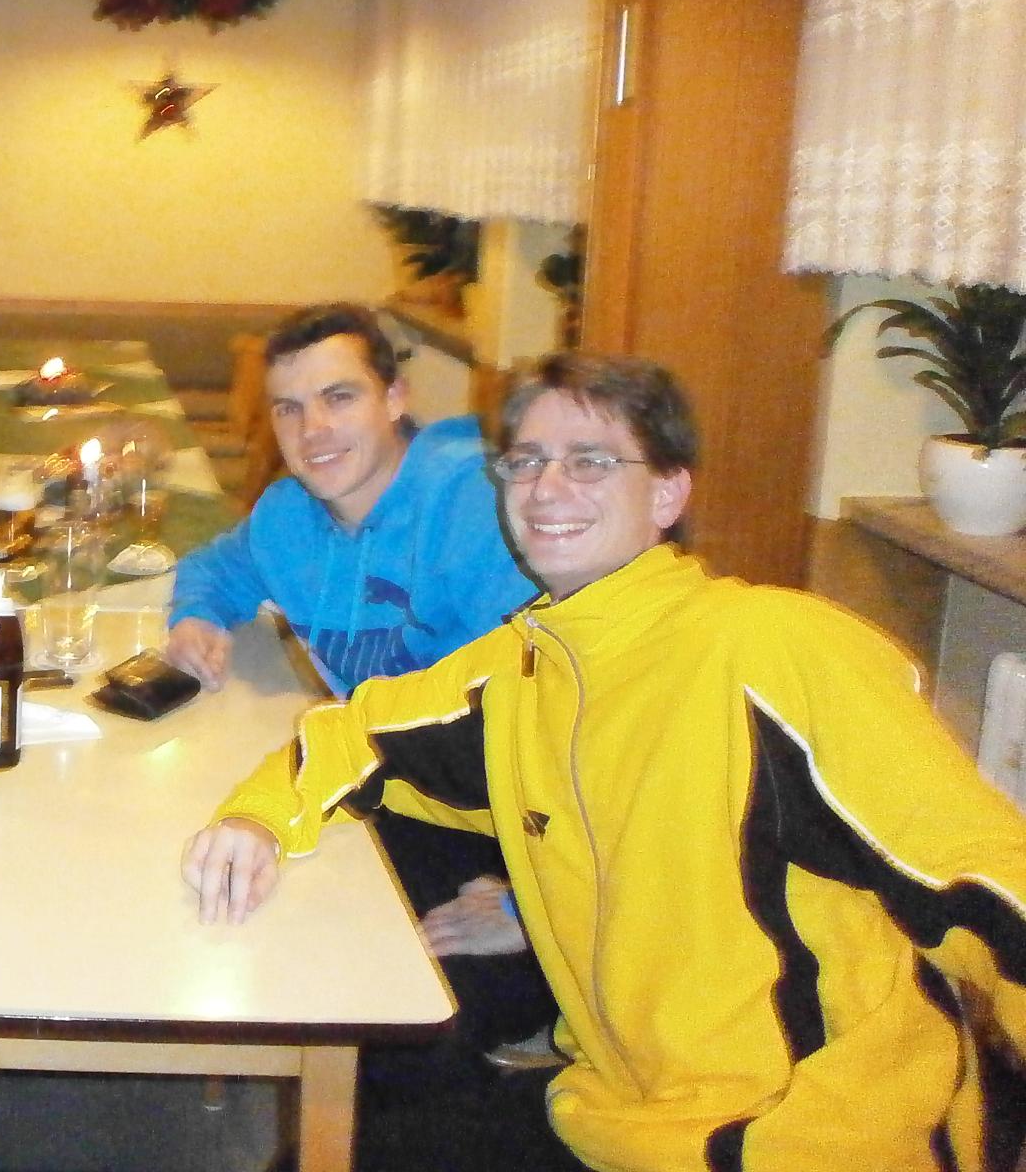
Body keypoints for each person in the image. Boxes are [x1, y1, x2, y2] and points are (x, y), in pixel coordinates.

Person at [184, 351, 1026, 1172]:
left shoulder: (777, 648)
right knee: (350, 1138)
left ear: (667, 493)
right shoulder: (520, 668)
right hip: (620, 1115)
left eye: (590, 461)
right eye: (526, 462)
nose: (547, 488)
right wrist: (256, 821)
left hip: (804, 1139)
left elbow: (991, 885)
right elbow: (355, 734)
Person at [167, 303, 548, 1064]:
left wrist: (526, 901)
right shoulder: (288, 516)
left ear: (395, 397)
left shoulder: (480, 508)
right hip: (388, 791)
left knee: (392, 1034)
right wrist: (196, 617)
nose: (313, 430)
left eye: (339, 397)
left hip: (514, 829)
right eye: (289, 408)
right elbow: (217, 566)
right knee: (244, 927)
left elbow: (567, 715)